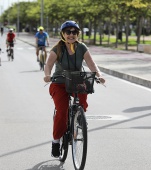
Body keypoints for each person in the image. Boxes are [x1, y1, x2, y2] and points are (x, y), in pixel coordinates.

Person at [43, 20, 105, 157]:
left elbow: (92, 64)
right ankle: (56, 141)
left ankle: (79, 117)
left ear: (78, 34)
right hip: (59, 82)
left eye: (74, 32)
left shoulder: (82, 47)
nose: (71, 34)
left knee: (83, 97)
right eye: (68, 32)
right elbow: (48, 65)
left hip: (76, 80)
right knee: (62, 111)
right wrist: (47, 75)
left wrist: (99, 75)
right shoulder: (57, 49)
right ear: (63, 34)